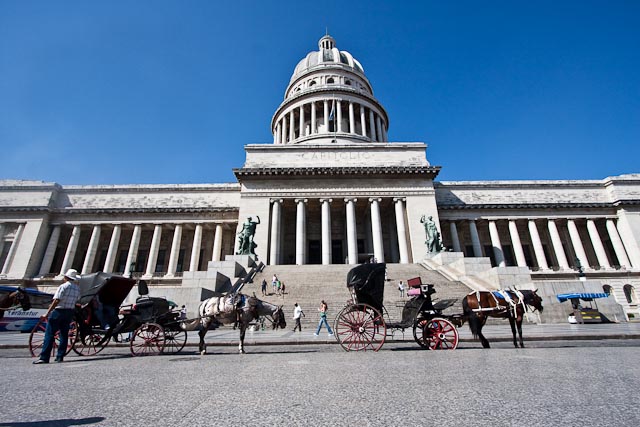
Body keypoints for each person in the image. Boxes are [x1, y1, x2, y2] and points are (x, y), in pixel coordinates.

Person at [33, 269, 81, 364]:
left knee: (50, 334)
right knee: (64, 334)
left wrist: (47, 313)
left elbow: (56, 300)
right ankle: (60, 356)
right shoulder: (77, 289)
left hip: (59, 311)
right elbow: (77, 300)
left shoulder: (63, 286)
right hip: (69, 312)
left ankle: (44, 357)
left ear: (66, 277)